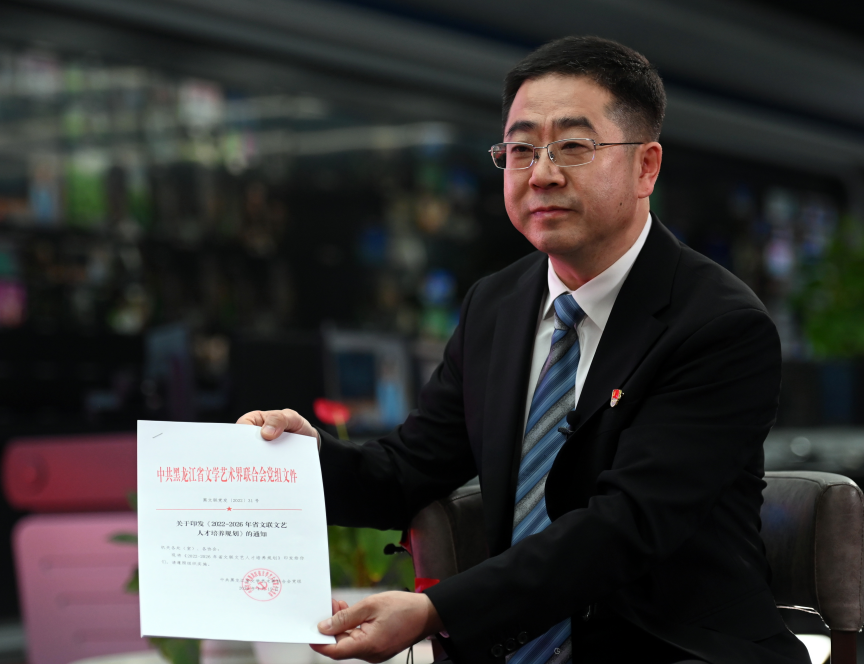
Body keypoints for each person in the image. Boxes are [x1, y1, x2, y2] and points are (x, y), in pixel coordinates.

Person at [239, 36, 810, 664]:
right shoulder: (498, 304)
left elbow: (626, 527)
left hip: (674, 649)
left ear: (645, 167)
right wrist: (301, 458)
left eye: (574, 146)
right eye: (520, 150)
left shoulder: (719, 325)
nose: (542, 174)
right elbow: (406, 470)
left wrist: (436, 610)